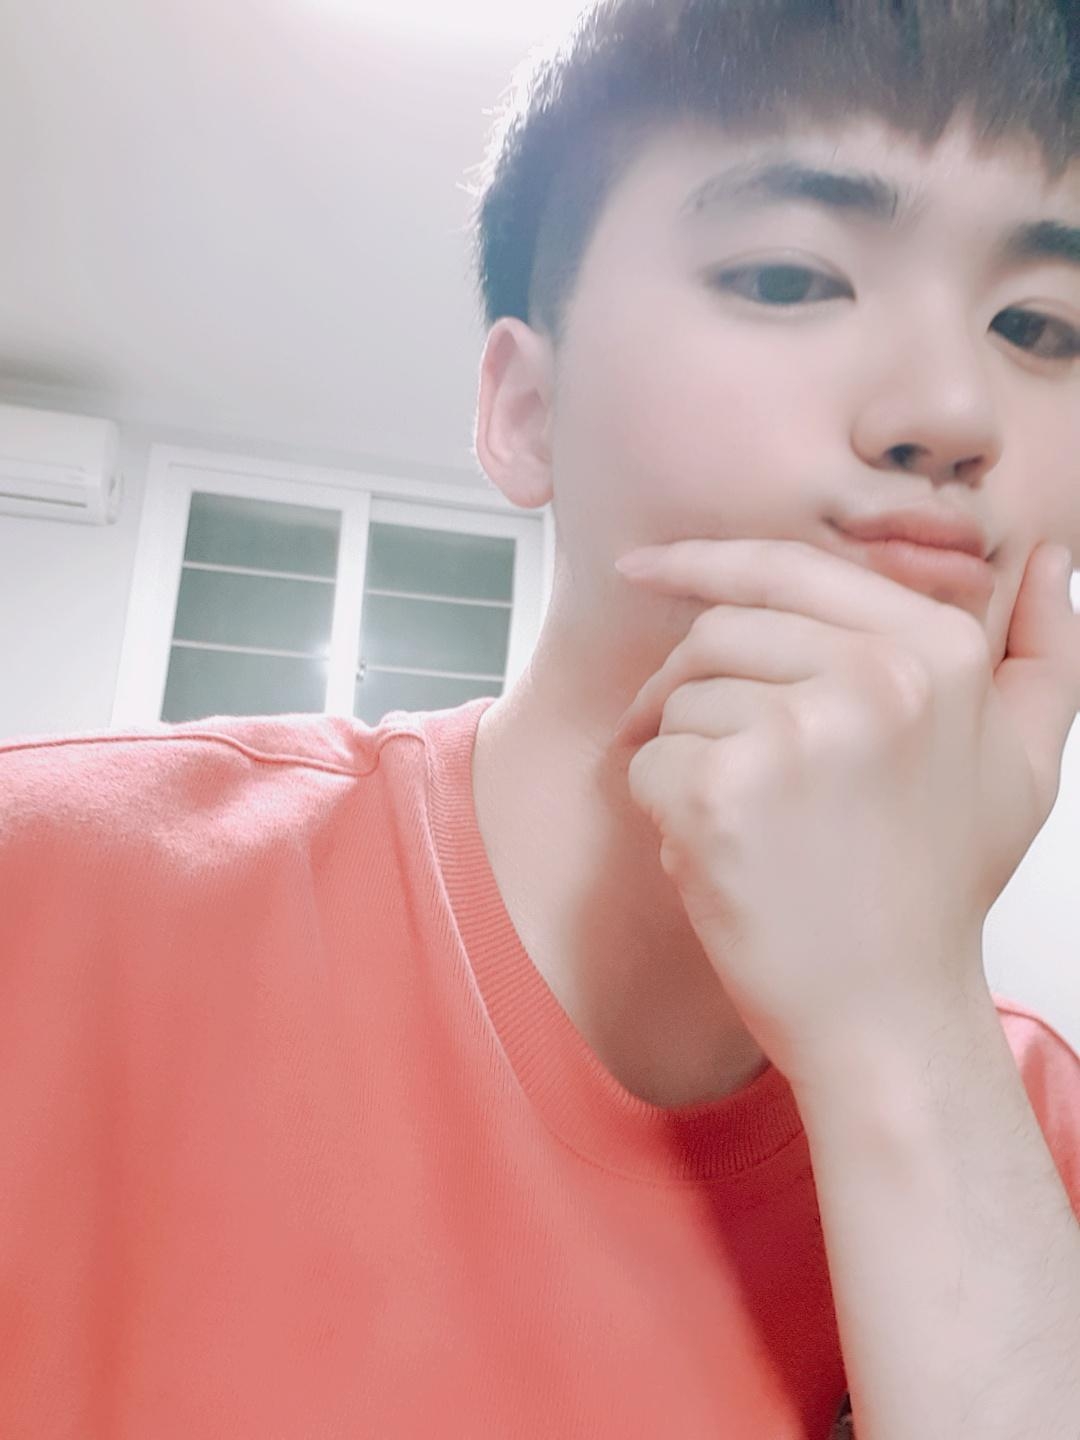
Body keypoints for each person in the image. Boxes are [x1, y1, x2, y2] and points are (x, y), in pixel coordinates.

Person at [2, 2, 1079, 1436]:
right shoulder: (49, 891)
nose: (953, 410)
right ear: (523, 411)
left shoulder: (1033, 1140)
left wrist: (900, 1024)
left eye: (1040, 327)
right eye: (788, 276)